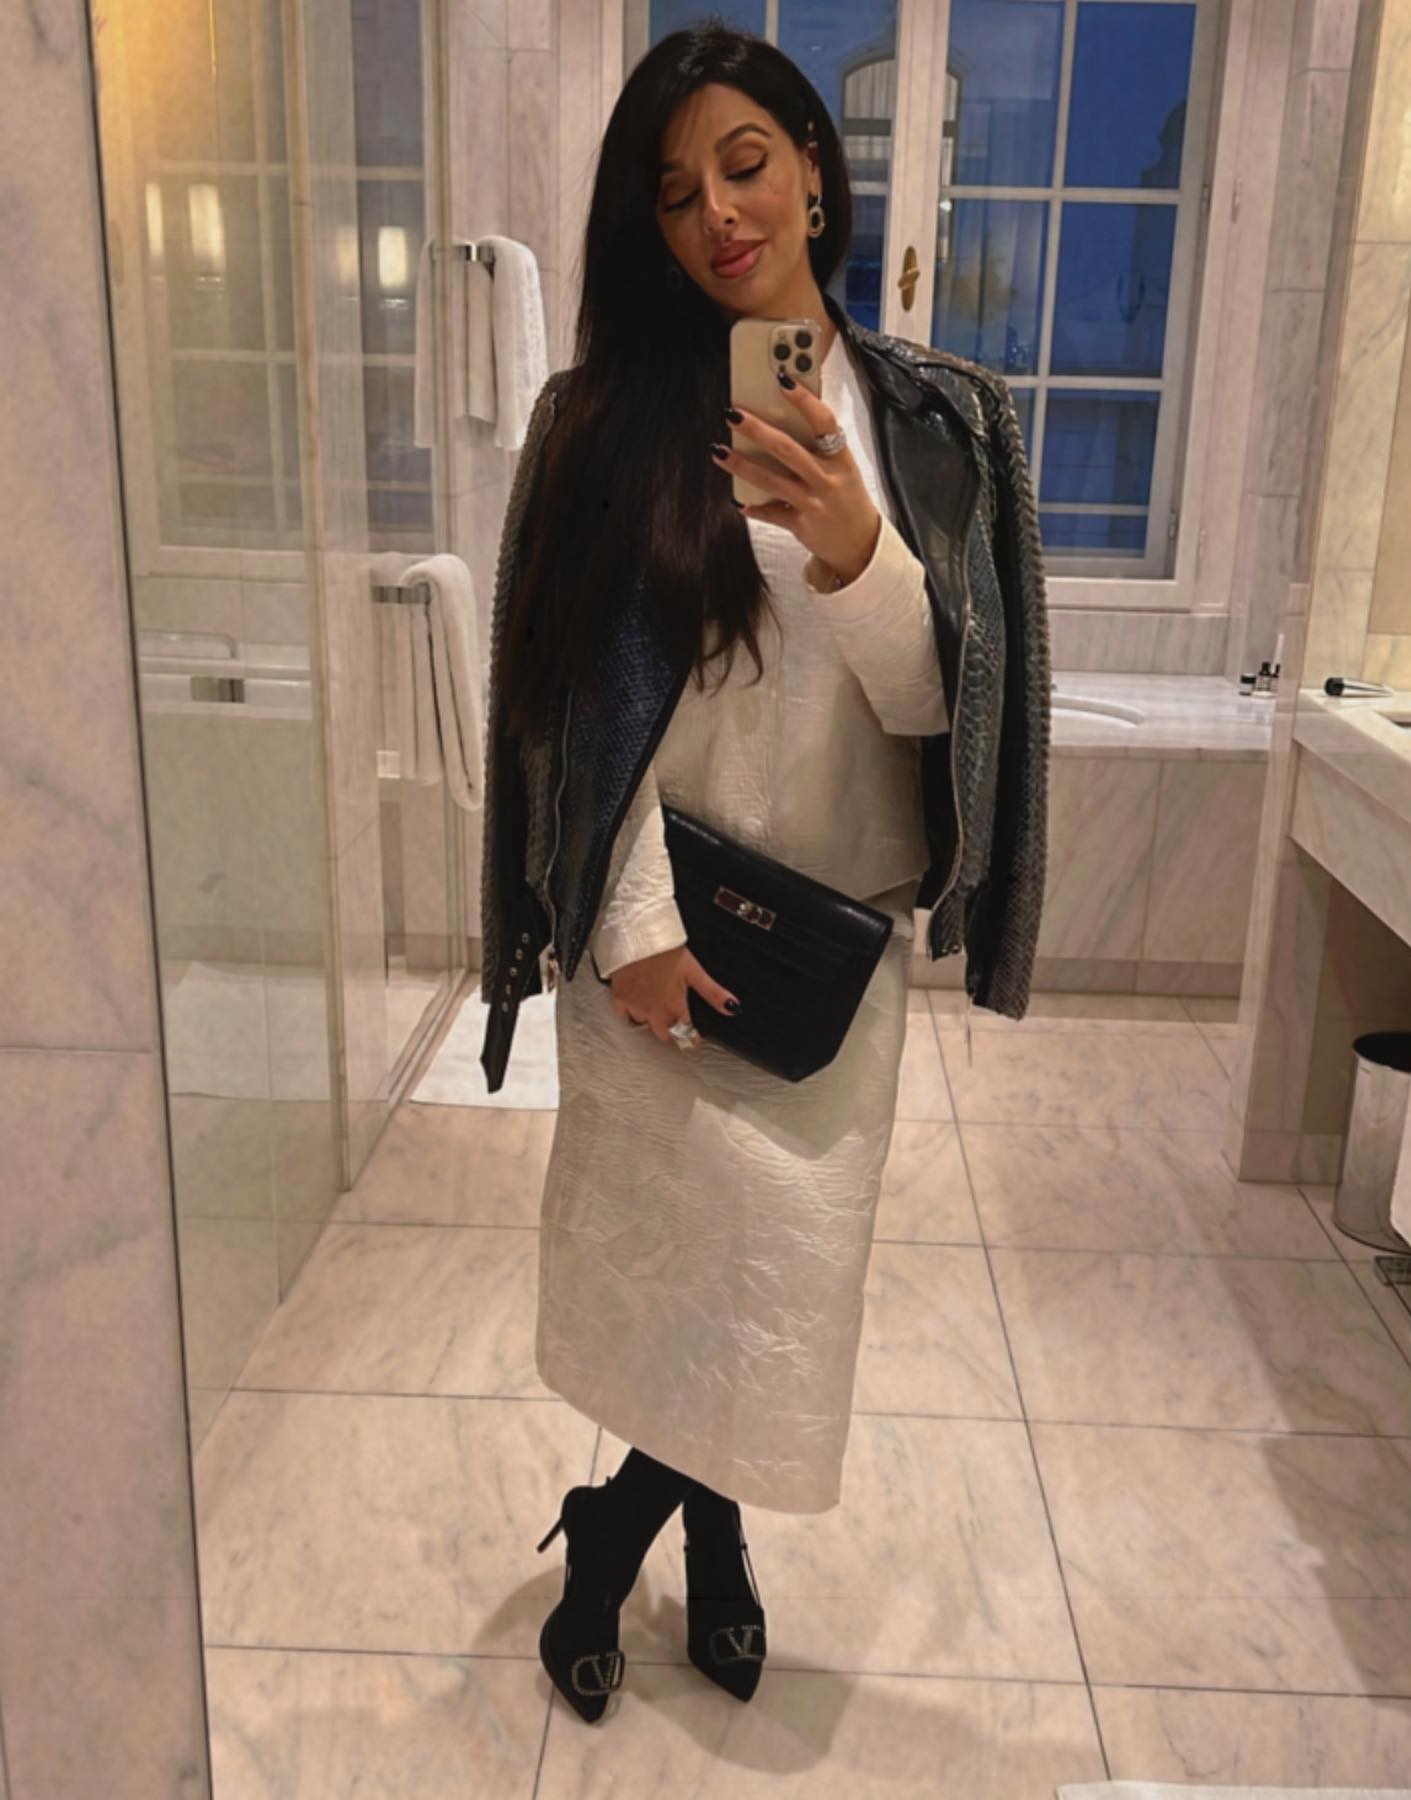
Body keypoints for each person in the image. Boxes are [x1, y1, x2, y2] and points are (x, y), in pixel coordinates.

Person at [480, 23, 1050, 1727]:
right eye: (673, 196)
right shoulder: (598, 425)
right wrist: (629, 928)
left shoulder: (937, 423)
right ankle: (687, 1547)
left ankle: (622, 1525)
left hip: (825, 964)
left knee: (775, 1287)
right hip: (655, 935)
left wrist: (859, 554)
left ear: (812, 162)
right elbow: (558, 708)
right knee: (675, 1280)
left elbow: (949, 719)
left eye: (744, 165)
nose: (718, 215)